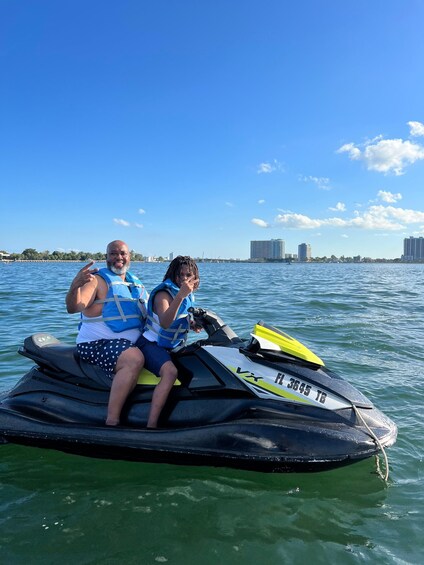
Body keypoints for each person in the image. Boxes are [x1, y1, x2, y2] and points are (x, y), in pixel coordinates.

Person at [66, 240, 148, 426]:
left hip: (132, 343)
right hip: (95, 344)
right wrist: (74, 287)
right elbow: (74, 307)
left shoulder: (134, 284)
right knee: (134, 359)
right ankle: (112, 420)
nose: (118, 257)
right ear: (106, 257)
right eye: (113, 253)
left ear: (130, 257)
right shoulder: (95, 280)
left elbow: (153, 314)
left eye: (123, 253)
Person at [136, 255, 200, 428]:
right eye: (181, 275)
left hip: (172, 346)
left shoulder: (186, 296)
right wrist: (180, 296)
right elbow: (165, 322)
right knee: (170, 372)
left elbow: (180, 318)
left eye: (189, 276)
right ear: (174, 275)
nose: (185, 279)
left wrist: (192, 324)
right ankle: (152, 424)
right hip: (150, 344)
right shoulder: (163, 295)